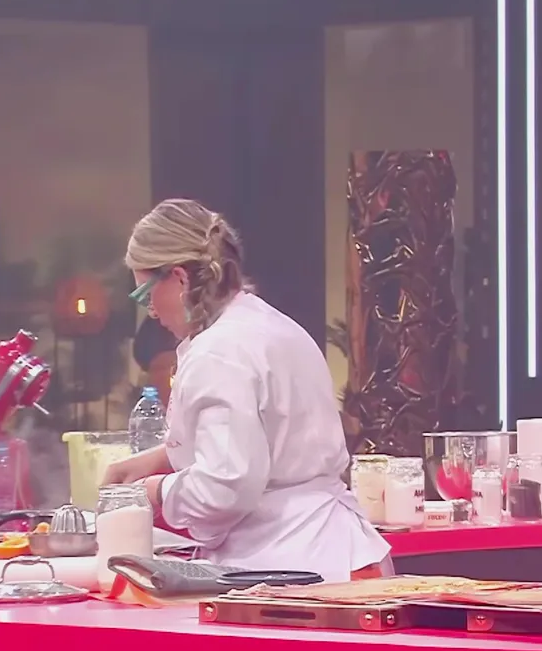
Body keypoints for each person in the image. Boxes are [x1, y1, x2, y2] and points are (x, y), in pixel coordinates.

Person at [103, 198, 391, 582]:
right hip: (337, 551)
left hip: (293, 565)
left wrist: (154, 491)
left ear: (180, 279)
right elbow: (270, 439)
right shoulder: (269, 325)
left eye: (145, 295)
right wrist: (162, 458)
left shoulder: (218, 350)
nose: (151, 311)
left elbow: (225, 486)